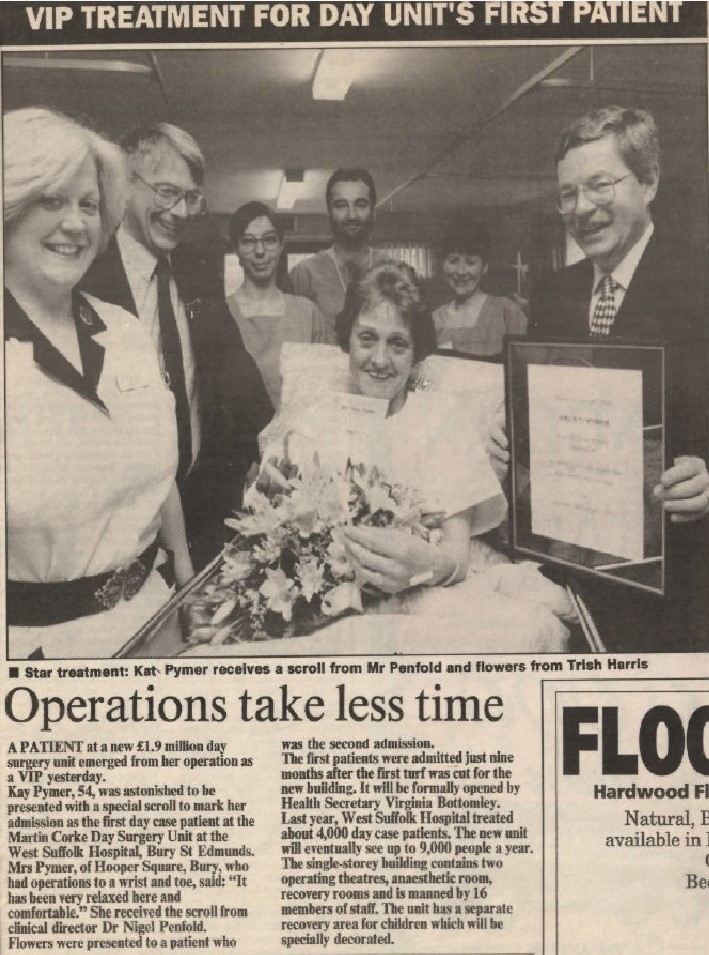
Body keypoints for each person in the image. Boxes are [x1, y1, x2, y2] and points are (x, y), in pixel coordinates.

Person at [257, 261, 571, 651]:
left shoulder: (441, 421)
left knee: (516, 632)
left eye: (398, 344)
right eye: (367, 339)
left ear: (416, 350)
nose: (381, 360)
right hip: (332, 607)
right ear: (347, 341)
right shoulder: (313, 426)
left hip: (433, 595)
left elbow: (455, 557)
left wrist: (424, 566)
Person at [494, 106, 709, 650]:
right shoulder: (552, 294)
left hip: (677, 590)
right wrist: (511, 437)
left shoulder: (700, 283)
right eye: (567, 193)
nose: (581, 208)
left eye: (599, 185)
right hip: (571, 577)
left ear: (650, 181)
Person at [4, 107, 193, 659]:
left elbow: (158, 470)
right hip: (45, 652)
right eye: (52, 200)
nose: (76, 223)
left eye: (89, 205)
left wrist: (181, 566)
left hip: (157, 621)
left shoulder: (123, 328)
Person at [83, 123, 273, 569]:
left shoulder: (196, 266)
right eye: (167, 192)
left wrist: (276, 454)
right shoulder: (86, 271)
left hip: (203, 503)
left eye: (192, 198)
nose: (181, 211)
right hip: (117, 517)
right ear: (125, 184)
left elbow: (237, 374)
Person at [226, 201, 331, 407]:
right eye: (248, 241)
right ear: (236, 249)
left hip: (300, 436)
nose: (260, 251)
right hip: (238, 439)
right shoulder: (222, 314)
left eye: (269, 240)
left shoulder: (307, 314)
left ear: (281, 245)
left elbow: (330, 385)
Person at [289, 168, 384, 337]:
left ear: (373, 211)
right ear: (329, 213)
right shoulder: (304, 274)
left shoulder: (393, 270)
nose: (351, 215)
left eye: (361, 204)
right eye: (341, 206)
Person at [433, 219, 527, 356]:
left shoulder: (506, 311)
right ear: (443, 265)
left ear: (484, 267)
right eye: (453, 261)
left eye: (470, 263)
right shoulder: (435, 318)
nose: (460, 272)